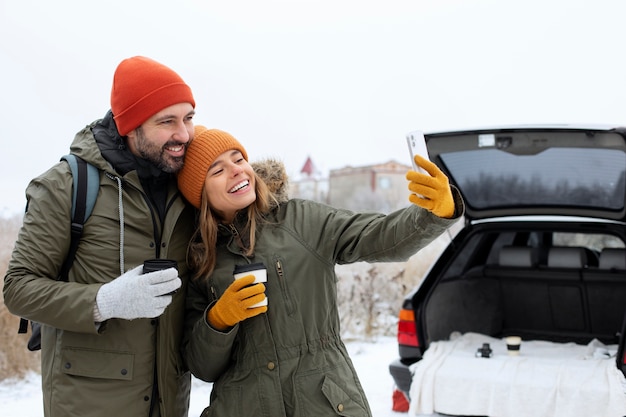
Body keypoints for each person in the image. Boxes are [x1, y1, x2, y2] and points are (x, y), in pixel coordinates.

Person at [177, 126, 465, 417]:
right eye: (218, 170)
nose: (237, 171)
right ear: (199, 193)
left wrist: (433, 213)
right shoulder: (201, 259)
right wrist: (218, 319)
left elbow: (378, 235)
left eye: (238, 160)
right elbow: (203, 367)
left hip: (324, 403)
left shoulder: (302, 221)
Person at [3, 56, 197, 417]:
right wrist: (104, 301)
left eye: (188, 118)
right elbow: (18, 288)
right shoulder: (66, 186)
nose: (183, 135)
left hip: (170, 402)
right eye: (167, 121)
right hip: (88, 404)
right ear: (129, 125)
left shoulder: (185, 184)